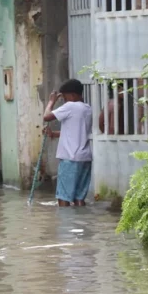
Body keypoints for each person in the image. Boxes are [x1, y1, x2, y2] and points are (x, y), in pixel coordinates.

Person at [43, 78, 93, 207]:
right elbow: (77, 132)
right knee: (79, 198)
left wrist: (51, 101)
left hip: (70, 158)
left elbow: (46, 116)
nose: (63, 100)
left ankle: (67, 225)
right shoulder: (87, 108)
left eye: (64, 97)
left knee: (63, 198)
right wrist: (53, 134)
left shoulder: (70, 106)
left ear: (72, 95)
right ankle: (81, 223)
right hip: (85, 158)